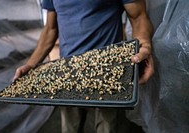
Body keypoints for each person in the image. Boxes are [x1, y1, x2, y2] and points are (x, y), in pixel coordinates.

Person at [13, 0, 154, 133]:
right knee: (70, 128)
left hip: (106, 72)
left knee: (107, 127)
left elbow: (138, 17)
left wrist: (144, 46)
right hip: (68, 73)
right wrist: (31, 64)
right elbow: (50, 29)